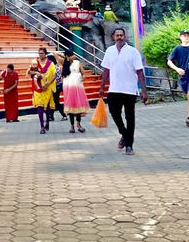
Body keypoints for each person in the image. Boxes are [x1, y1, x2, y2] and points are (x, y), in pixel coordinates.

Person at [99, 27, 148, 156]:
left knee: (130, 118)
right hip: (114, 89)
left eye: (122, 35)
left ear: (125, 37)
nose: (120, 37)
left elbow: (139, 71)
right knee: (114, 113)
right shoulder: (109, 51)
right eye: (117, 35)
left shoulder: (133, 52)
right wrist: (102, 86)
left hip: (130, 90)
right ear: (113, 37)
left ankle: (129, 145)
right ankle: (124, 134)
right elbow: (106, 70)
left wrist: (144, 91)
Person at [32, 48, 56, 134]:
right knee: (39, 106)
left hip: (47, 87)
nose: (40, 55)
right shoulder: (35, 63)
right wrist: (36, 73)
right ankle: (42, 126)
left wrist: (48, 83)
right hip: (38, 87)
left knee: (47, 107)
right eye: (39, 53)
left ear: (45, 54)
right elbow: (30, 72)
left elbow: (54, 75)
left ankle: (47, 123)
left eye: (42, 53)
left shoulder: (50, 64)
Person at [63, 56, 90, 132]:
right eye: (70, 55)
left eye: (72, 55)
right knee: (71, 108)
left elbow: (83, 73)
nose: (73, 56)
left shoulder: (77, 63)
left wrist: (83, 77)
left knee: (78, 107)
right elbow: (55, 55)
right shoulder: (65, 63)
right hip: (69, 87)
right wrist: (65, 58)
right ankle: (72, 126)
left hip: (78, 86)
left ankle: (78, 124)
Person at [47, 52, 67, 121]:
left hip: (56, 87)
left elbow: (57, 77)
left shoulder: (54, 67)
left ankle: (64, 115)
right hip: (54, 86)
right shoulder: (54, 66)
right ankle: (51, 116)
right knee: (52, 101)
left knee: (56, 102)